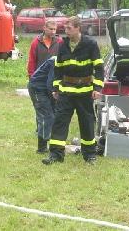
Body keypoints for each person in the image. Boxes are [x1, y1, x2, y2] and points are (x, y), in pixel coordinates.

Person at [42, 16, 104, 165]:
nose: (66, 30)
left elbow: (99, 67)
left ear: (78, 28)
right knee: (59, 122)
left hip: (85, 92)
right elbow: (58, 68)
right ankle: (56, 155)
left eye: (69, 28)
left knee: (87, 123)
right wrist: (56, 88)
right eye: (65, 28)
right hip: (66, 92)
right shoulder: (62, 45)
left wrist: (97, 88)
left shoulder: (90, 44)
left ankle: (90, 155)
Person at [28, 56, 56, 154]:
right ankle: (42, 148)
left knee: (53, 114)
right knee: (47, 116)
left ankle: (53, 143)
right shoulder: (56, 62)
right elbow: (50, 84)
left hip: (46, 89)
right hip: (37, 88)